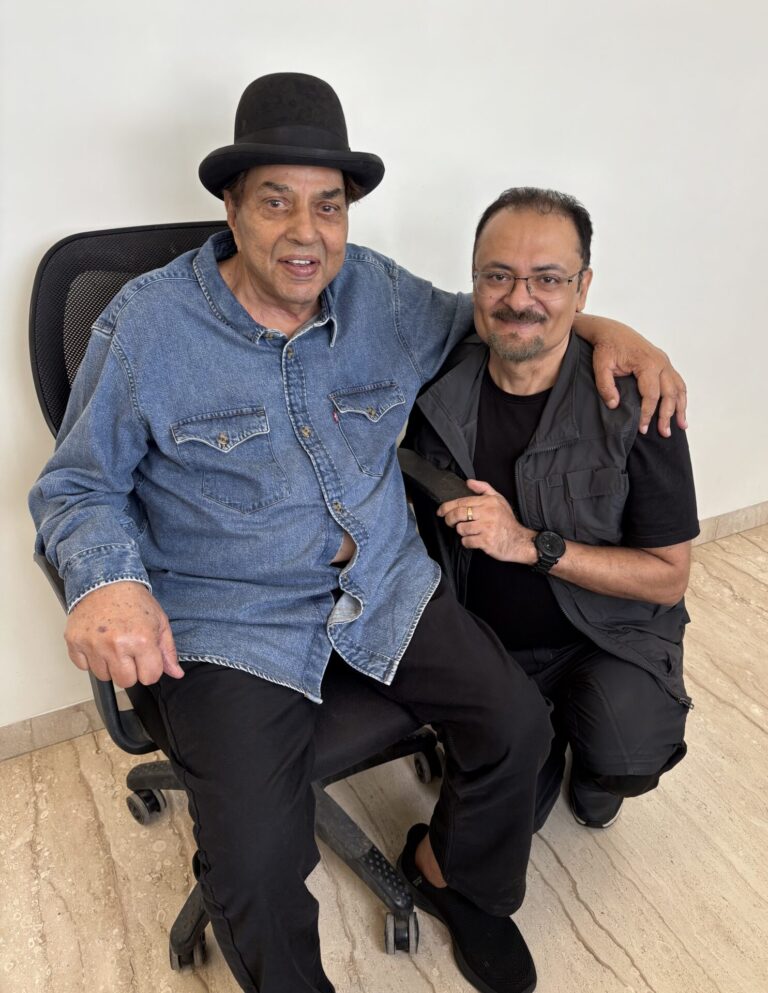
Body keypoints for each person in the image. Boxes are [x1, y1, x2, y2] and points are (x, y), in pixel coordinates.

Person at [29, 75, 687, 993]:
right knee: (257, 870)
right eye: (277, 202)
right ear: (231, 208)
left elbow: (505, 318)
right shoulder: (146, 327)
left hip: (382, 583)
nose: (306, 233)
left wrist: (616, 331)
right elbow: (77, 484)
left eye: (328, 206)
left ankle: (460, 883)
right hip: (230, 621)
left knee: (518, 726)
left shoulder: (381, 295)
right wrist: (110, 582)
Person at [404, 187, 698, 835]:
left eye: (548, 278)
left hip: (606, 637)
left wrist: (529, 544)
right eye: (498, 275)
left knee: (625, 751)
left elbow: (667, 576)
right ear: (474, 281)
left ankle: (596, 766)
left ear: (582, 287)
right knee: (506, 821)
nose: (520, 298)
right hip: (491, 647)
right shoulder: (433, 379)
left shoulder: (639, 402)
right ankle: (539, 736)